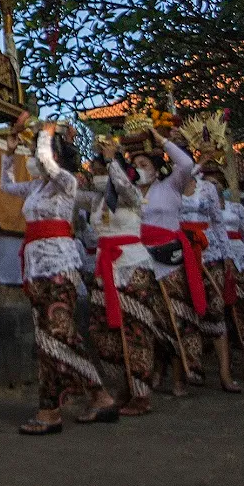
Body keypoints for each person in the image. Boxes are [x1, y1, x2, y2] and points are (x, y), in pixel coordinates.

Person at [1, 118, 119, 434]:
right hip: (37, 267)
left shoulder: (65, 181)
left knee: (60, 335)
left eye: (35, 151)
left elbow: (47, 164)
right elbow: (5, 186)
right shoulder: (35, 186)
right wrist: (8, 155)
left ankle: (90, 398)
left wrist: (45, 136)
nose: (32, 157)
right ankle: (59, 406)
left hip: (58, 266)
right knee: (47, 339)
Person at [82, 139, 163, 416]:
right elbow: (64, 186)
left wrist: (112, 158)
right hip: (104, 269)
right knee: (101, 331)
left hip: (132, 266)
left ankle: (141, 394)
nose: (97, 174)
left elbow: (122, 183)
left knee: (136, 330)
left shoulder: (132, 196)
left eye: (101, 170)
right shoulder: (96, 200)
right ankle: (120, 388)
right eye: (95, 170)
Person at [129, 125, 205, 393]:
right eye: (135, 164)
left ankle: (179, 373)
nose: (139, 168)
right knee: (150, 318)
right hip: (140, 260)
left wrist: (162, 141)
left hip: (168, 257)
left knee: (175, 316)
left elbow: (185, 162)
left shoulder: (171, 185)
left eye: (143, 163)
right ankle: (156, 368)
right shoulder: (131, 194)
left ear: (155, 165)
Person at [181, 165, 241, 391]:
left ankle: (225, 373)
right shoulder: (168, 188)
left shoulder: (207, 188)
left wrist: (227, 256)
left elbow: (217, 222)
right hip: (181, 252)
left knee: (215, 310)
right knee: (184, 311)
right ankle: (192, 367)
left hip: (209, 251)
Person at [214, 174, 244, 378]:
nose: (212, 186)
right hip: (215, 259)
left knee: (242, 310)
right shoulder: (201, 209)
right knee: (219, 312)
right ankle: (227, 362)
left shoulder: (237, 209)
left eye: (216, 182)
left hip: (240, 259)